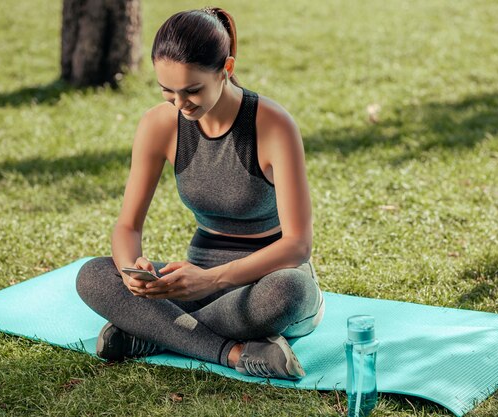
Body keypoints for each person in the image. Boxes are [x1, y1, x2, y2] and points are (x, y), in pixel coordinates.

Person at [75, 7, 325, 381]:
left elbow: (297, 246)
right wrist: (132, 272)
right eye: (168, 92)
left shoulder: (273, 126)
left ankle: (153, 332)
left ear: (225, 69)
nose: (180, 104)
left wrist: (213, 280)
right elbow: (127, 225)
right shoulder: (159, 124)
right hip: (195, 283)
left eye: (192, 90)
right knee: (92, 275)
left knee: (289, 291)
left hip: (264, 282)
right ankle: (234, 352)